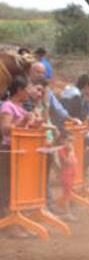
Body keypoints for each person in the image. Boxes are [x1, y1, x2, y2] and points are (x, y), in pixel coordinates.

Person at [1, 75, 41, 219]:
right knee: (9, 189)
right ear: (19, 90)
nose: (29, 92)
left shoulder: (20, 107)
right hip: (10, 151)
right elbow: (5, 129)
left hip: (22, 152)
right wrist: (23, 121)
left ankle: (18, 220)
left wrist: (35, 124)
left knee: (18, 189)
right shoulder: (7, 106)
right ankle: (10, 223)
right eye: (27, 89)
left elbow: (25, 127)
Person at [56, 132, 78, 221]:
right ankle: (67, 213)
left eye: (72, 141)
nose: (70, 143)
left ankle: (67, 212)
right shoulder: (61, 150)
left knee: (67, 194)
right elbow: (67, 162)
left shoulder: (68, 149)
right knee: (66, 195)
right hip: (66, 175)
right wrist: (70, 152)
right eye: (68, 141)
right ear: (62, 140)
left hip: (71, 174)